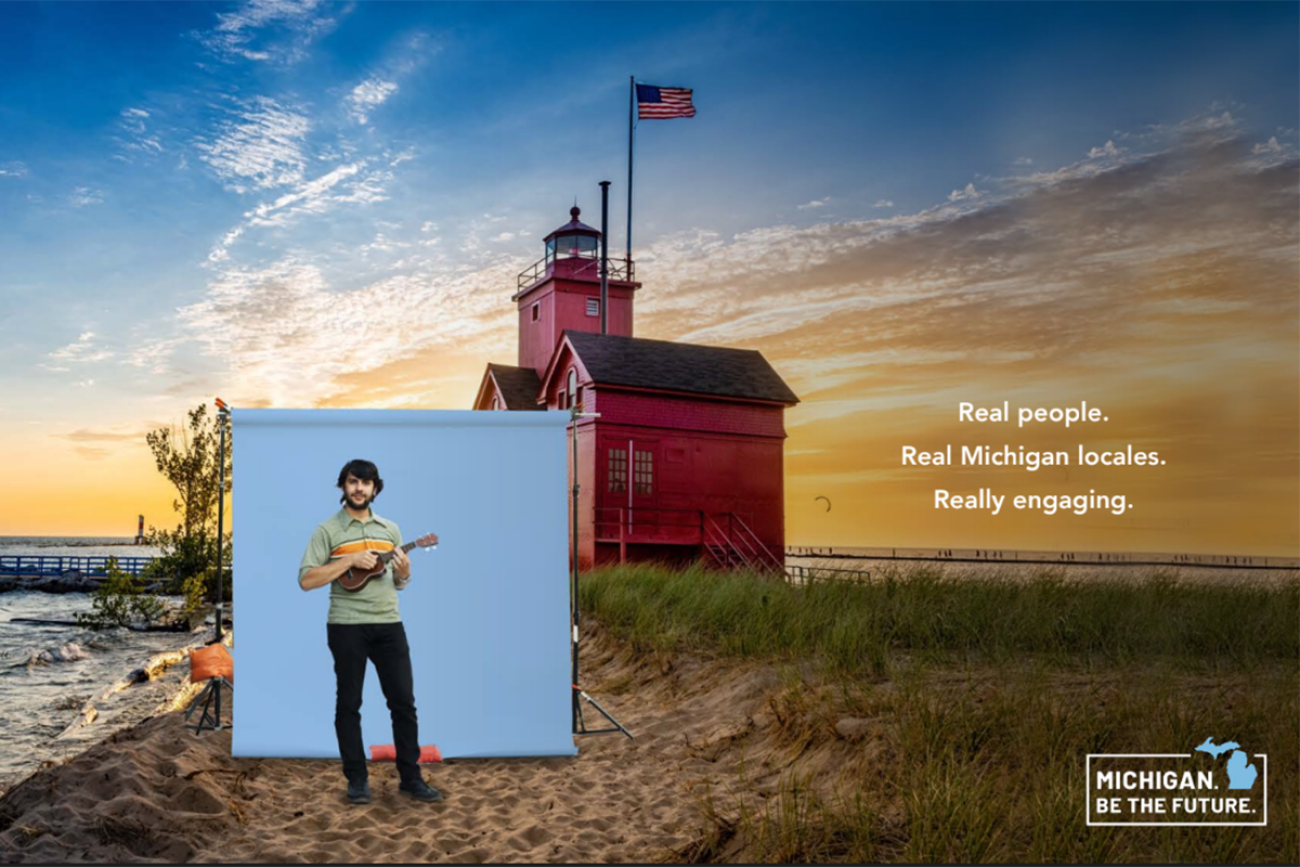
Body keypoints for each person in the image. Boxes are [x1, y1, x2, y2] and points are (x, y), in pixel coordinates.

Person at [298, 458, 442, 805]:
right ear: (343, 487)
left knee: (404, 704)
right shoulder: (326, 531)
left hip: (389, 624)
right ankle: (357, 780)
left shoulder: (391, 530)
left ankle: (411, 777)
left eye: (366, 483)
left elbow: (400, 583)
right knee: (349, 704)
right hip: (346, 627)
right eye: (352, 482)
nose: (359, 488)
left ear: (375, 488)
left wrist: (405, 571)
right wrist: (348, 561)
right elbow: (306, 580)